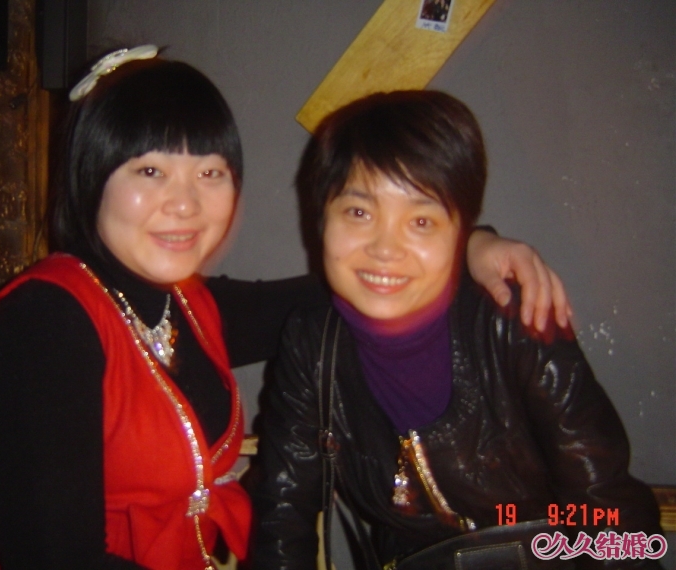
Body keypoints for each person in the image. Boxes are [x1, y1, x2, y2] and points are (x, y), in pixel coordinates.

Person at [0, 47, 571, 569]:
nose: (186, 204)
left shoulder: (185, 304)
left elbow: (348, 284)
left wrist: (468, 244)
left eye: (210, 173)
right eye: (150, 171)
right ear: (91, 177)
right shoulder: (40, 326)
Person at [250, 90, 663, 569]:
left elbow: (609, 512)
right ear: (321, 217)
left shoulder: (515, 322)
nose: (385, 248)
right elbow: (283, 515)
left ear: (461, 231)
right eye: (359, 213)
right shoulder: (311, 345)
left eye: (421, 221)